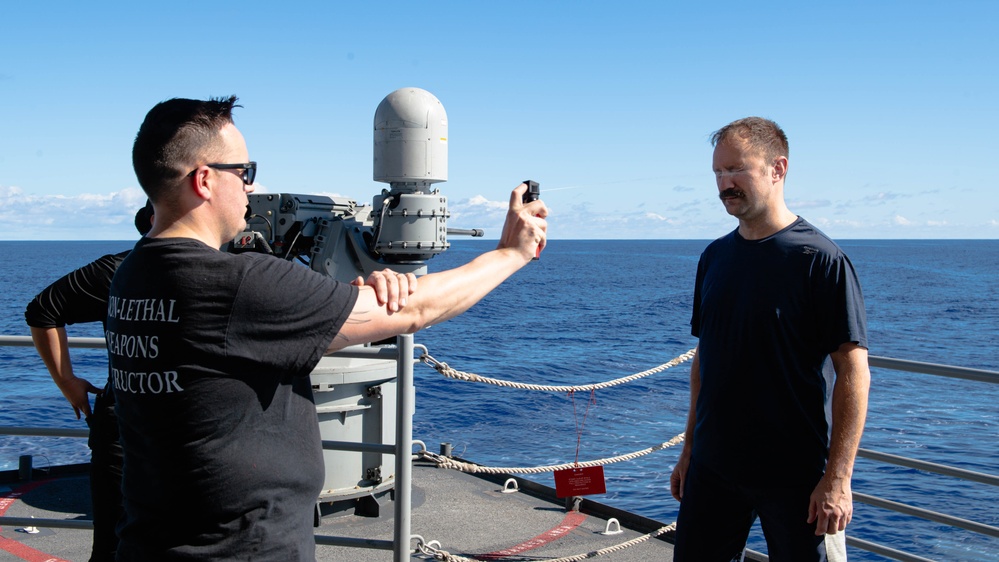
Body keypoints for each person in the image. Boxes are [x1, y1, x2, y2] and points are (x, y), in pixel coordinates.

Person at [108, 95, 547, 560]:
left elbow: (232, 348)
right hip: (241, 548)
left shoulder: (133, 273)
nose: (251, 189)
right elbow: (416, 310)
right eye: (244, 172)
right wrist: (510, 254)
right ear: (204, 180)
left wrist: (339, 302)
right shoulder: (239, 285)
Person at [669, 117, 870, 561]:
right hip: (714, 466)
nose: (725, 183)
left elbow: (853, 372)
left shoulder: (819, 259)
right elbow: (706, 358)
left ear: (778, 169)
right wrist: (689, 449)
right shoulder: (714, 257)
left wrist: (838, 478)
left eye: (736, 169)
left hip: (794, 473)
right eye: (718, 172)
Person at [24, 201, 154, 562]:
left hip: (125, 429)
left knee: (115, 543)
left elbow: (43, 309)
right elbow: (43, 310)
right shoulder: (119, 269)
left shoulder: (118, 268)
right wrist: (66, 379)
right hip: (141, 435)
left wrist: (67, 380)